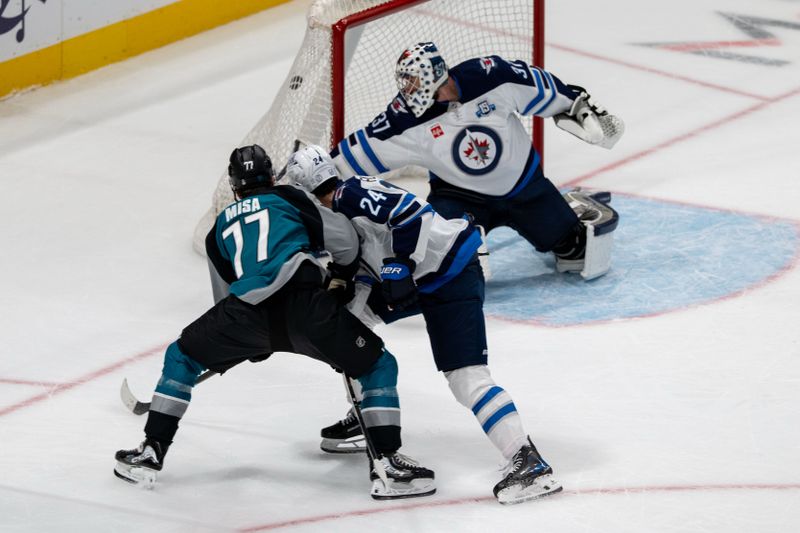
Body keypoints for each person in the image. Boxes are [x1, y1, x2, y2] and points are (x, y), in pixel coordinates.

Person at [113, 144, 435, 500]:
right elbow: (345, 242)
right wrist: (340, 277)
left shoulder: (218, 227)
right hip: (307, 310)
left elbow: (225, 297)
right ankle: (388, 465)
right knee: (378, 366)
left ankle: (150, 452)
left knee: (181, 356)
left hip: (245, 317)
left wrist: (249, 344)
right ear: (271, 177)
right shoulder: (290, 199)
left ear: (234, 189)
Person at [287, 144, 562, 505]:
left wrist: (400, 262)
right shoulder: (338, 209)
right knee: (346, 329)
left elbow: (411, 212)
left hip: (451, 274)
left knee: (467, 378)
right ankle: (367, 414)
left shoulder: (348, 194)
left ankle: (528, 462)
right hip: (422, 279)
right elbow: (371, 258)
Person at [331, 42, 623, 281]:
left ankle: (572, 207)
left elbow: (539, 86)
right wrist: (315, 177)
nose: (408, 89)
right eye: (405, 82)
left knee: (575, 253)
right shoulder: (402, 119)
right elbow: (352, 156)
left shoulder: (491, 77)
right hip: (459, 196)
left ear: (434, 75)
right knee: (458, 267)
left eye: (414, 80)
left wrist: (577, 106)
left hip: (525, 186)